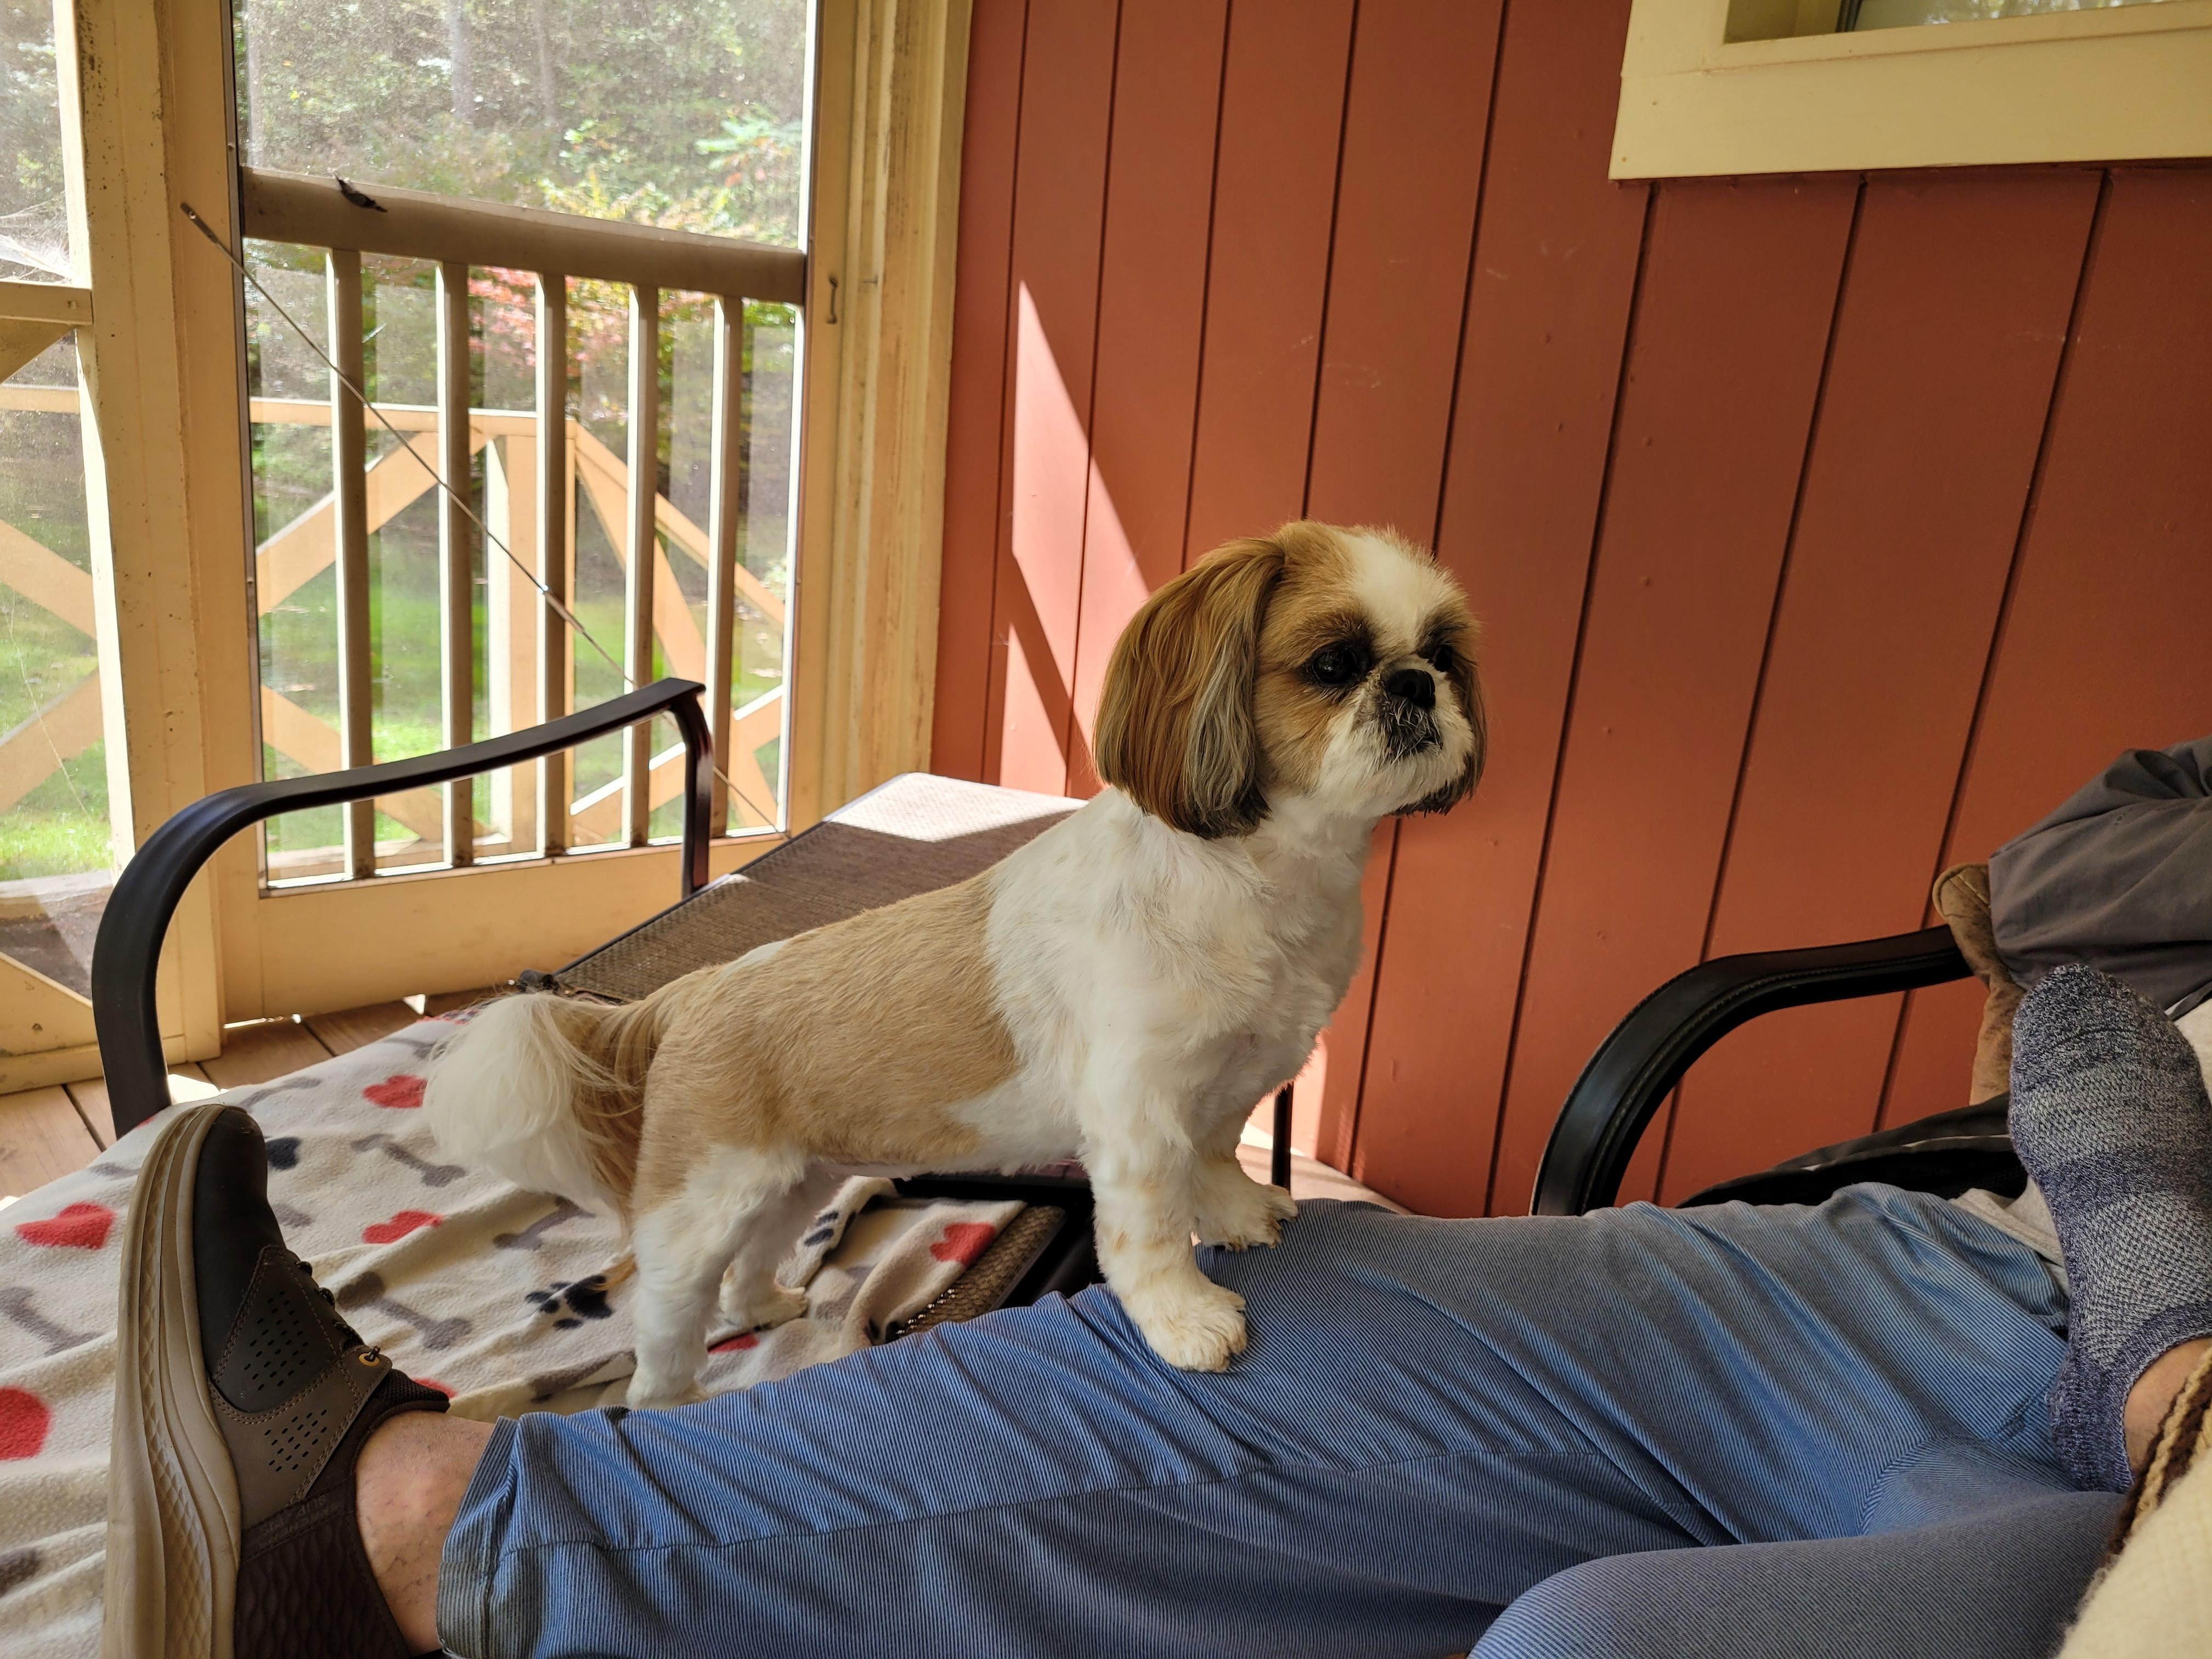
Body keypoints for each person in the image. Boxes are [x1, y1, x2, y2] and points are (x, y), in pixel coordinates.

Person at [100, 960, 2211, 1659]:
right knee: (1299, 1284)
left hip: (2123, 1517)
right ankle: (428, 1531)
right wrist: (2176, 1323)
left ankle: (412, 1544)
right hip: (1989, 1283)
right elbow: (2105, 1014)